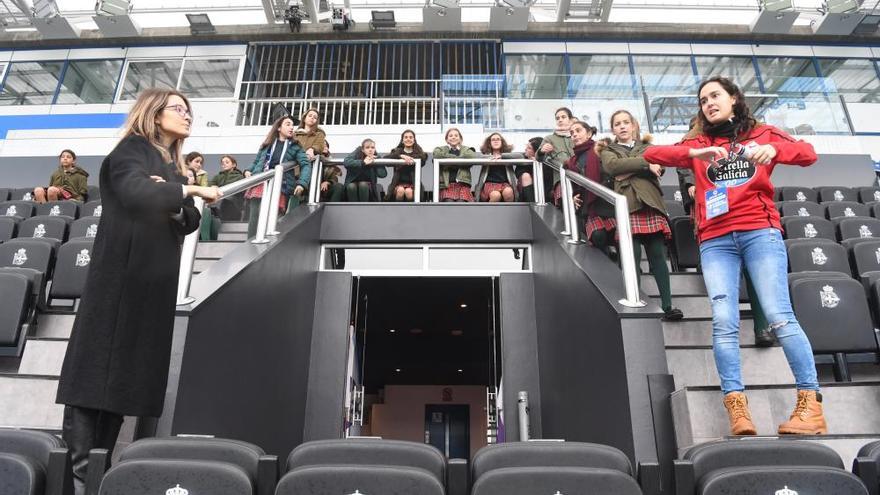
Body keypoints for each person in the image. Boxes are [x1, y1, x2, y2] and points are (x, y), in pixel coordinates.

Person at [55, 88, 222, 495]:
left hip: (150, 286)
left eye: (189, 111)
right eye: (178, 109)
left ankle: (97, 473)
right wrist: (189, 191)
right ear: (153, 112)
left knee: (120, 384)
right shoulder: (131, 150)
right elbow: (135, 192)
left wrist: (172, 195)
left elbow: (186, 220)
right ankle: (79, 479)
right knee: (95, 377)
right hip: (120, 281)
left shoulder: (171, 166)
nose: (186, 116)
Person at [644, 76, 827, 436]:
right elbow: (652, 154)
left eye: (715, 96)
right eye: (703, 99)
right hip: (714, 240)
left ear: (733, 99)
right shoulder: (697, 141)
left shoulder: (763, 133)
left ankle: (810, 406)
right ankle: (737, 410)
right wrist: (693, 153)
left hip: (759, 230)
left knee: (779, 314)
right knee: (723, 321)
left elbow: (808, 152)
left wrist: (775, 151)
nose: (709, 103)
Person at [597, 109, 682, 322]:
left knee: (658, 258)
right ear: (613, 129)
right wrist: (645, 164)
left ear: (634, 125)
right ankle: (635, 303)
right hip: (627, 207)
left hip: (651, 204)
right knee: (631, 260)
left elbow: (659, 167)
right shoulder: (609, 150)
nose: (623, 126)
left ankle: (668, 305)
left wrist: (628, 169)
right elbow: (613, 167)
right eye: (618, 124)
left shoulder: (649, 147)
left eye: (626, 122)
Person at [677, 165, 775, 347]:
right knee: (725, 278)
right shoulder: (695, 142)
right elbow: (685, 167)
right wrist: (691, 183)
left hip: (743, 210)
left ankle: (762, 327)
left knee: (752, 271)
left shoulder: (738, 143)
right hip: (711, 210)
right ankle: (730, 333)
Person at [243, 115, 310, 237]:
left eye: (292, 125)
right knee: (255, 215)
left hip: (280, 184)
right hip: (261, 181)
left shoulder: (295, 146)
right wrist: (248, 170)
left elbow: (305, 165)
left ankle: (268, 242)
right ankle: (250, 243)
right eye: (287, 124)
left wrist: (302, 183)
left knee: (274, 216)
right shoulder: (267, 144)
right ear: (279, 128)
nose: (291, 128)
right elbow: (257, 161)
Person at [563, 121, 615, 255]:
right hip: (590, 207)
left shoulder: (602, 149)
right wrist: (573, 196)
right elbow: (574, 186)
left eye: (578, 131)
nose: (574, 135)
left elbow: (612, 172)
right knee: (598, 236)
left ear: (589, 133)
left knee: (618, 237)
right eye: (572, 133)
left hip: (608, 202)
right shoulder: (572, 161)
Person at [536, 107, 576, 203]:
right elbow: (539, 158)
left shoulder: (577, 136)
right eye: (557, 118)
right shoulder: (550, 138)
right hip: (562, 180)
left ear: (570, 120)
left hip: (582, 179)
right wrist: (542, 151)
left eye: (563, 117)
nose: (560, 120)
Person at [434, 128, 476, 202]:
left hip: (463, 185)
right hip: (447, 185)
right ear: (447, 139)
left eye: (456, 135)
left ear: (460, 139)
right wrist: (459, 161)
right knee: (448, 201)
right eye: (450, 136)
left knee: (461, 203)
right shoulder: (440, 149)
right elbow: (437, 155)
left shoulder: (467, 149)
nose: (453, 137)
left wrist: (449, 162)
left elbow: (470, 157)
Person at [385, 129, 428, 202]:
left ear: (414, 140)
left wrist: (409, 158)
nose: (408, 139)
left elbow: (423, 159)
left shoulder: (419, 153)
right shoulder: (396, 151)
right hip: (397, 183)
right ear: (402, 140)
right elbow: (386, 159)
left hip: (413, 184)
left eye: (411, 137)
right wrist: (401, 156)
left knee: (408, 191)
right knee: (400, 190)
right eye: (406, 137)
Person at [477, 133, 516, 203]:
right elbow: (476, 156)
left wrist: (502, 156)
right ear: (489, 143)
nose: (496, 141)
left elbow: (520, 156)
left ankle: (508, 213)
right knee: (496, 195)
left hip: (505, 184)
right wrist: (490, 157)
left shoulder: (507, 155)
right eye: (493, 140)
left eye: (498, 139)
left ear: (502, 142)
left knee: (508, 192)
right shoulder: (485, 155)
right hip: (489, 184)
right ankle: (489, 213)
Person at [210, 155, 246, 221]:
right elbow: (211, 185)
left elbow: (241, 192)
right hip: (219, 203)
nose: (224, 164)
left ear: (234, 165)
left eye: (227, 162)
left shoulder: (239, 177)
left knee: (226, 201)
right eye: (222, 163)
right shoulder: (217, 176)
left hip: (234, 206)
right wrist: (214, 187)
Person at [516, 137, 544, 202]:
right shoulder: (524, 158)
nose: (525, 149)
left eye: (529, 148)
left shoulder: (545, 161)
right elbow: (518, 172)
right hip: (525, 190)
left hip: (542, 190)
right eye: (526, 146)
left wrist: (536, 161)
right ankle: (531, 203)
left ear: (536, 151)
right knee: (526, 176)